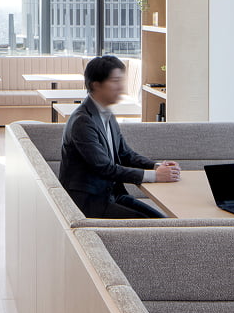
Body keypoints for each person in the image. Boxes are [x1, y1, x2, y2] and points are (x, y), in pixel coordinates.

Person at [59, 55, 180, 219]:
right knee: (154, 226)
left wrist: (156, 166)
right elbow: (105, 168)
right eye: (115, 81)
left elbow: (125, 154)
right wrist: (155, 176)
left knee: (163, 221)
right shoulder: (83, 122)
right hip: (89, 201)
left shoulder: (106, 113)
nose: (121, 87)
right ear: (96, 85)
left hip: (110, 194)